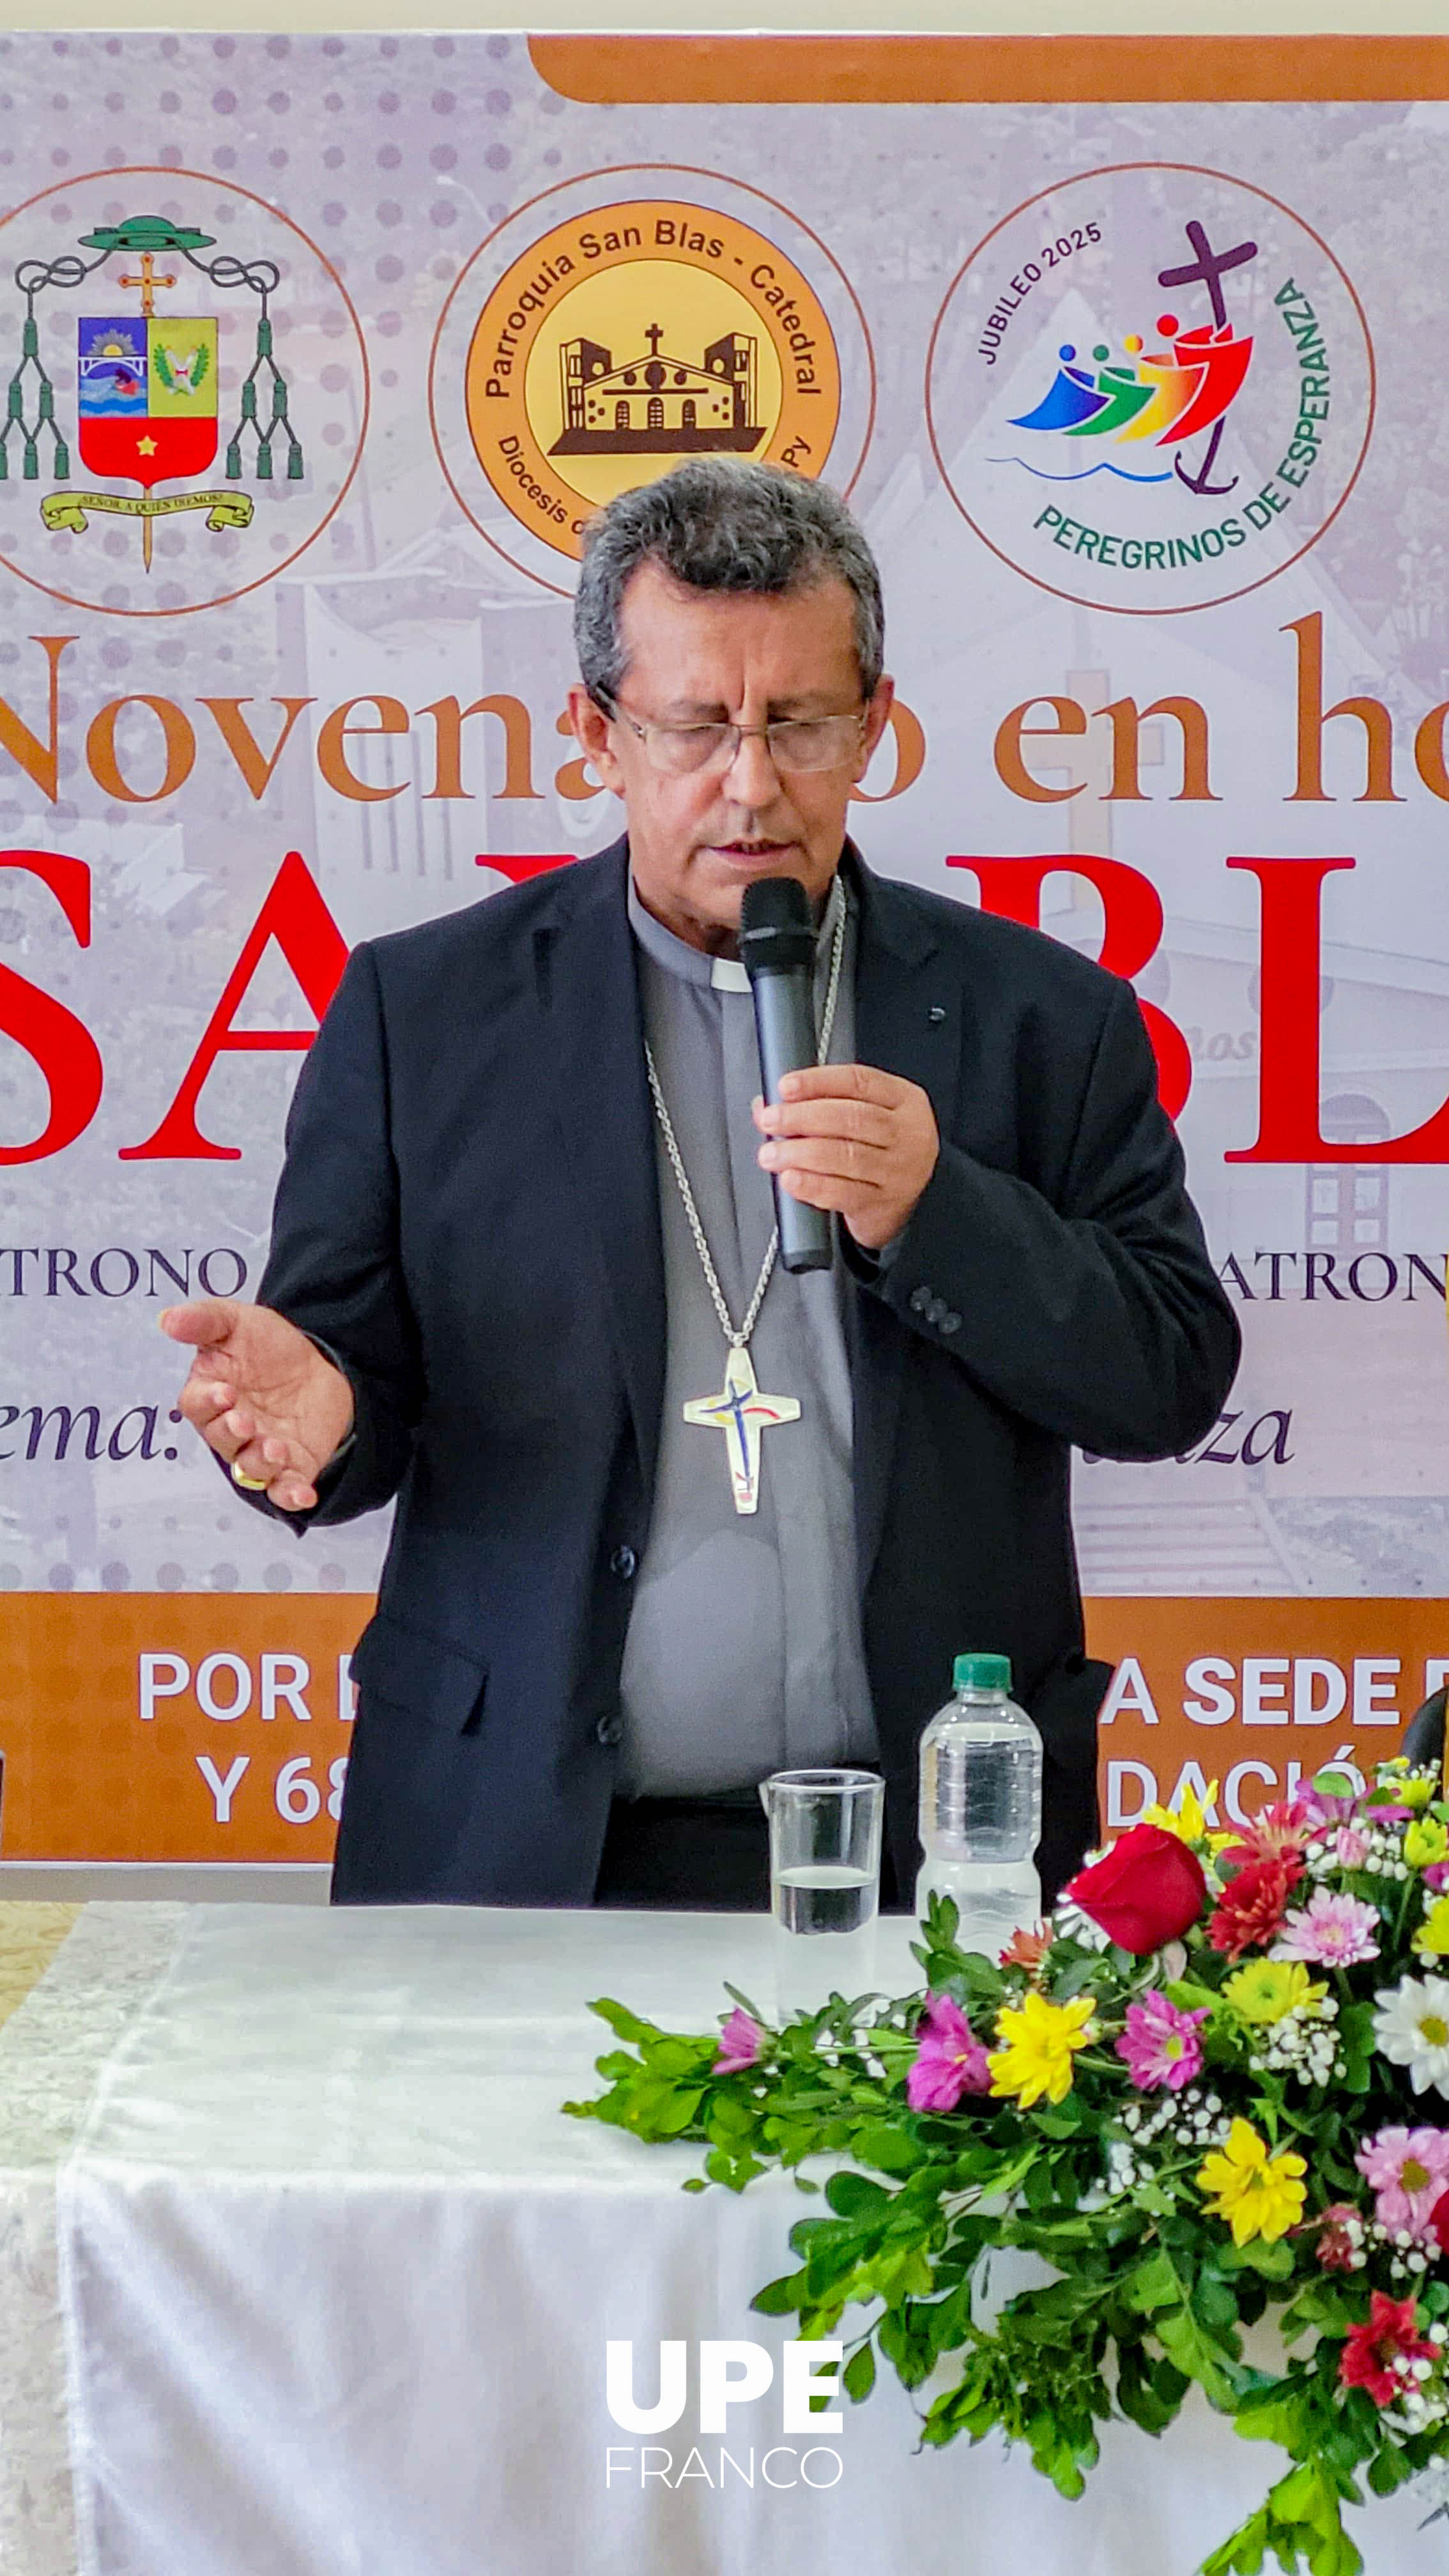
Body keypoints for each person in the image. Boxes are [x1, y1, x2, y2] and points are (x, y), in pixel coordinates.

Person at [161, 459, 1240, 1914]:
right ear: (594, 735)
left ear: (875, 726)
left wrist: (940, 1214)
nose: (751, 784)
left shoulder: (1043, 1019)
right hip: (526, 1847)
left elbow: (1170, 1378)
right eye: (694, 727)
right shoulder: (427, 1017)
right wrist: (329, 1414)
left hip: (932, 1861)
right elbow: (348, 1383)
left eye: (801, 723)